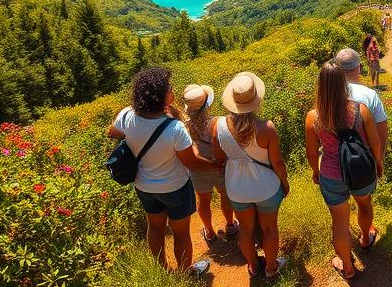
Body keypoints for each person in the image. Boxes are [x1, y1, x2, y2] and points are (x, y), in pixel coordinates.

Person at [107, 67, 219, 278]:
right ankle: (187, 272)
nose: (173, 91)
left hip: (144, 187)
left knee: (155, 227)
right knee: (181, 231)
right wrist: (215, 165)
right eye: (170, 89)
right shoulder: (175, 128)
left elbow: (112, 132)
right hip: (175, 187)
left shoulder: (127, 115)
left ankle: (162, 269)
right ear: (161, 96)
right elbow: (192, 163)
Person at [305, 61, 384, 281]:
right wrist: (378, 163)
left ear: (320, 85)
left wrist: (315, 171)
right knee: (364, 205)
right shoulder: (360, 109)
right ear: (343, 83)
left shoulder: (314, 117)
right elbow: (375, 142)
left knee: (339, 223)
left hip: (331, 174)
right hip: (360, 170)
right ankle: (366, 240)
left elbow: (312, 152)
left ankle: (347, 267)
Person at [211, 72, 289, 279]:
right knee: (269, 227)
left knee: (245, 228)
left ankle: (254, 266)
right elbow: (277, 162)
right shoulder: (266, 128)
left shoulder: (218, 126)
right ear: (256, 100)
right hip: (267, 188)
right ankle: (272, 267)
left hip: (237, 188)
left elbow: (219, 158)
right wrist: (285, 182)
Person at [181, 84, 238, 245]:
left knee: (203, 200)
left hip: (198, 167)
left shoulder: (184, 125)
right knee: (225, 195)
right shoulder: (218, 121)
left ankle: (210, 232)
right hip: (220, 164)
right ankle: (230, 224)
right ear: (207, 104)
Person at [334, 48, 389, 164]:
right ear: (359, 67)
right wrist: (379, 161)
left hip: (332, 166)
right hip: (363, 165)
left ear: (336, 68)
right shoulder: (370, 95)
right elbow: (382, 133)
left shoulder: (327, 94)